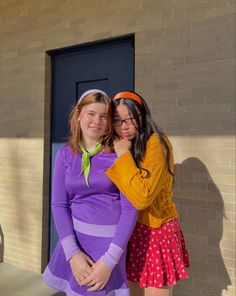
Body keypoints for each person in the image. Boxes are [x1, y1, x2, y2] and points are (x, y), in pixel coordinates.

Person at [43, 89, 137, 296]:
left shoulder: (118, 154)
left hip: (110, 247)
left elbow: (130, 209)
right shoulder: (65, 154)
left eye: (104, 116)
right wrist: (73, 254)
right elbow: (59, 205)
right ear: (78, 114)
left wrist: (110, 260)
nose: (97, 121)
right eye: (91, 113)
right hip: (76, 245)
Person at [105, 91, 189, 296]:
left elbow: (143, 197)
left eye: (130, 119)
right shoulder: (122, 143)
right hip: (132, 231)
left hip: (156, 230)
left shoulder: (156, 143)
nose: (123, 126)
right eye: (117, 121)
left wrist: (123, 153)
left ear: (142, 116)